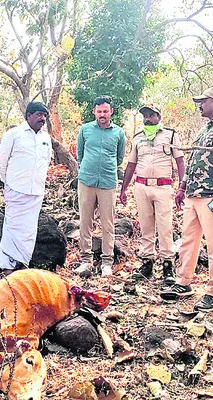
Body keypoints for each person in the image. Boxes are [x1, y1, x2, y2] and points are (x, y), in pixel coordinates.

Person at [160, 87, 213, 312]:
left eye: (203, 101)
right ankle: (183, 282)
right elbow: (195, 158)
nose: (200, 105)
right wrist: (183, 186)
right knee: (189, 239)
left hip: (212, 194)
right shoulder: (204, 129)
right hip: (193, 193)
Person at [119, 104, 185, 285]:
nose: (147, 119)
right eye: (145, 116)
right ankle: (147, 264)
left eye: (151, 115)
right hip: (141, 186)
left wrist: (182, 186)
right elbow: (131, 164)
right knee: (146, 227)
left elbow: (180, 161)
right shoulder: (138, 138)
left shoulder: (170, 135)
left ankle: (167, 266)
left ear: (159, 117)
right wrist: (123, 189)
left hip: (163, 187)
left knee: (165, 227)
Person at [0, 102, 52, 271]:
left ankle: (22, 263)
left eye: (45, 116)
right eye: (39, 114)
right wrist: (9, 182)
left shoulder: (45, 138)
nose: (42, 118)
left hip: (36, 190)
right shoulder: (14, 134)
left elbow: (46, 162)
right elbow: (2, 162)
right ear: (29, 115)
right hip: (16, 188)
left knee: (29, 229)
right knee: (13, 227)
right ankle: (7, 266)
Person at [75, 96, 126, 277]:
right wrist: (88, 167)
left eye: (105, 111)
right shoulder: (85, 130)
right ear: (94, 112)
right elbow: (80, 154)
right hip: (86, 181)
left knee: (108, 224)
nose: (102, 114)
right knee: (85, 221)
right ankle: (86, 260)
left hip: (108, 182)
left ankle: (106, 262)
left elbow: (120, 158)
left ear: (111, 112)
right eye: (99, 111)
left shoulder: (118, 133)